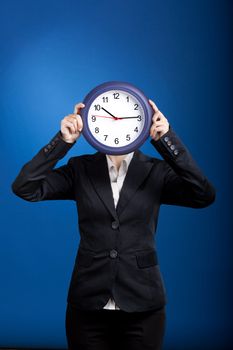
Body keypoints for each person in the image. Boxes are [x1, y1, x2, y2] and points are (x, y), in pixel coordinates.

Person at [11, 99, 216, 350]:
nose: (117, 124)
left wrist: (167, 140)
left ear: (140, 123)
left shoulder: (157, 172)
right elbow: (25, 188)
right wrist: (62, 142)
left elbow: (203, 195)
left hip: (143, 305)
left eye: (125, 118)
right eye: (110, 117)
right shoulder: (80, 169)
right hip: (87, 304)